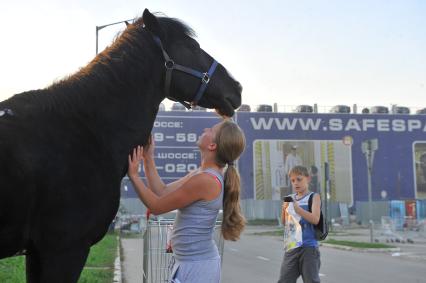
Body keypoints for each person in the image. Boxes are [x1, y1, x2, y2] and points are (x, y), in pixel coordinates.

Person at [127, 119, 246, 283]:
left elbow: (156, 206)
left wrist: (134, 176)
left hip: (197, 267)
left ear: (212, 145)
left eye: (211, 130)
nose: (205, 129)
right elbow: (162, 192)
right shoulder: (201, 174)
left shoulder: (206, 180)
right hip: (189, 263)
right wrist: (148, 158)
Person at [278, 165, 322, 283]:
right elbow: (284, 223)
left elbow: (315, 219)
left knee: (311, 280)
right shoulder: (290, 198)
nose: (295, 183)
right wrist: (284, 210)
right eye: (292, 180)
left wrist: (298, 210)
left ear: (308, 179)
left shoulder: (314, 197)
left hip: (308, 247)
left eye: (299, 179)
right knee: (284, 280)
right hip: (292, 245)